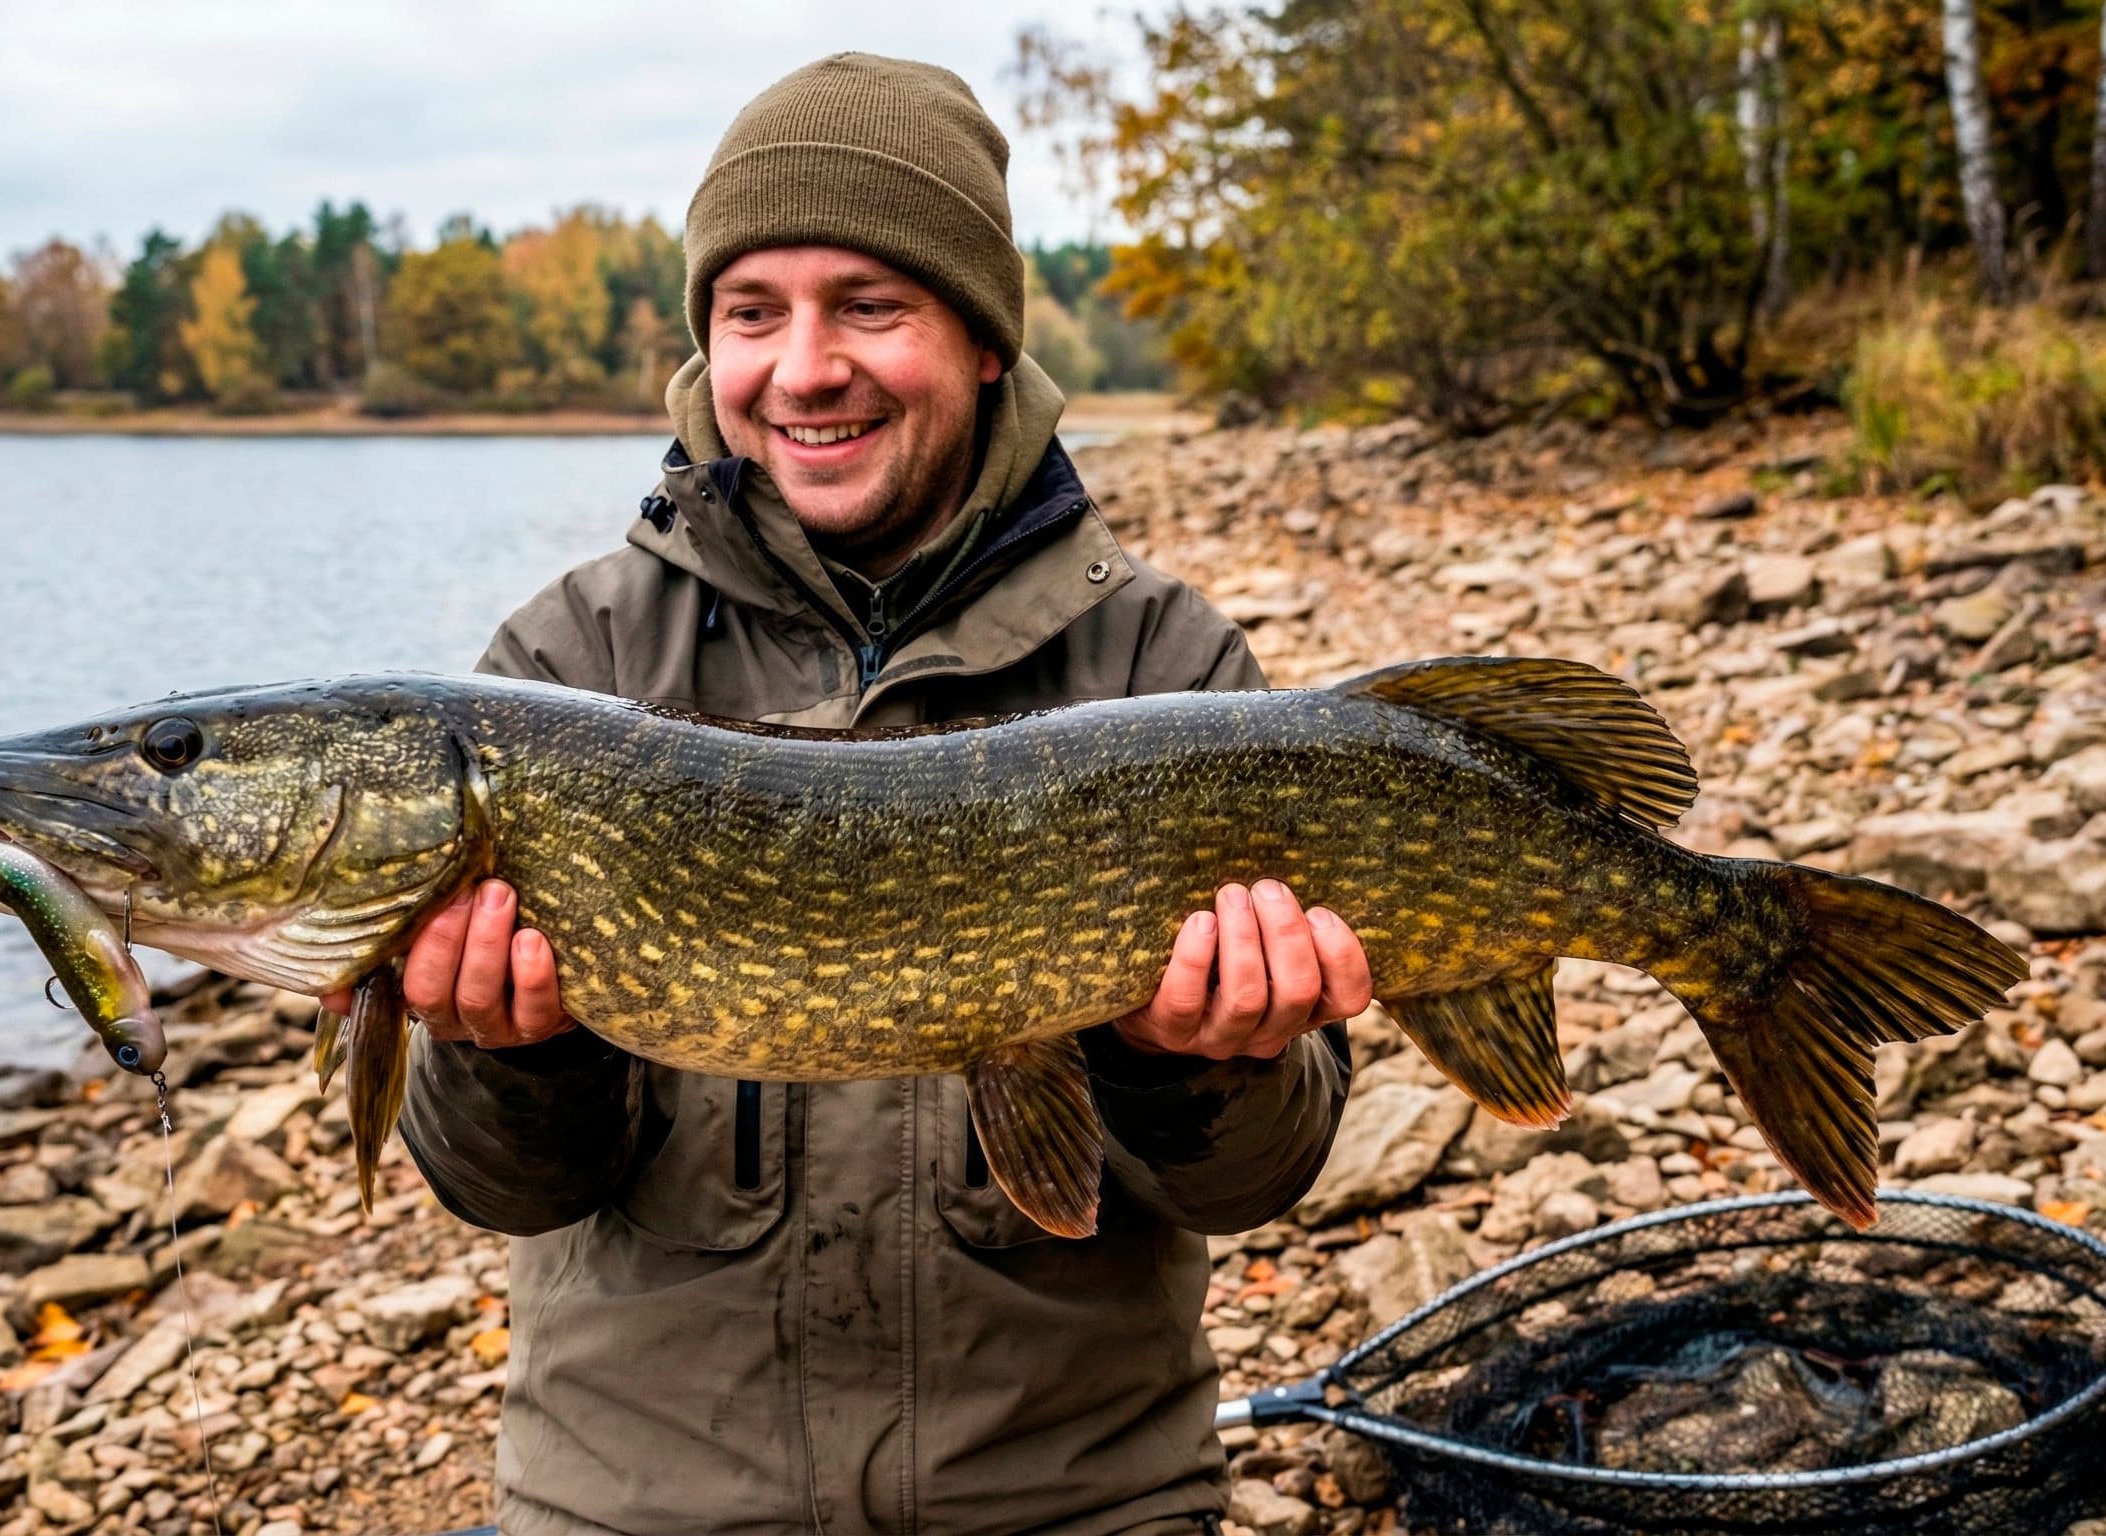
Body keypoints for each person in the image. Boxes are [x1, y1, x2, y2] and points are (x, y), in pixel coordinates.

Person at [376, 53, 1368, 1536]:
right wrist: (512, 1059)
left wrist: (1196, 1066)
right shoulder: (564, 664)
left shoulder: (1163, 659)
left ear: (980, 338)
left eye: (871, 305)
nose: (803, 368)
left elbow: (1261, 1176)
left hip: (1071, 1500)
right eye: (751, 313)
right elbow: (503, 1189)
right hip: (638, 1501)